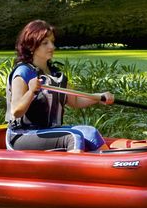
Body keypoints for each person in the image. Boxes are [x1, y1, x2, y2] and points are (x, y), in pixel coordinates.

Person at [6, 20, 114, 152]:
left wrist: (100, 97)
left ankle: (109, 168)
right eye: (45, 43)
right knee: (73, 137)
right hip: (22, 134)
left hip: (50, 131)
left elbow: (75, 100)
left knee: (90, 132)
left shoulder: (56, 75)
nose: (52, 47)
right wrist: (31, 91)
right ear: (31, 46)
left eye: (52, 42)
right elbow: (16, 111)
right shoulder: (23, 72)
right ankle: (77, 171)